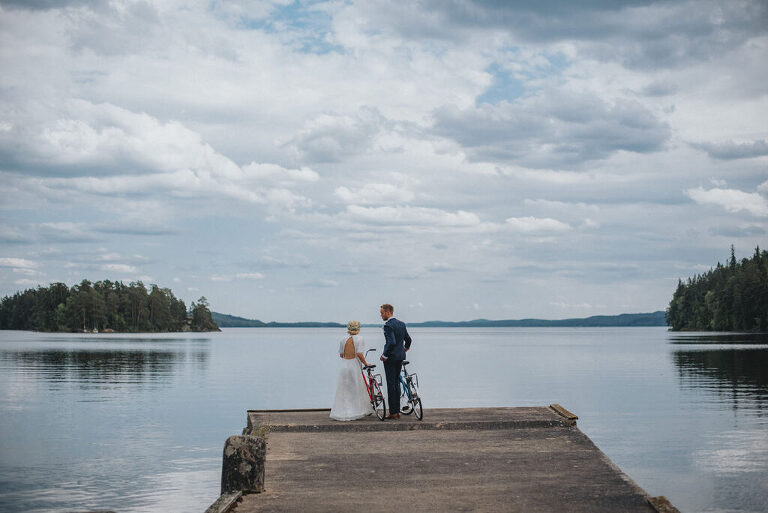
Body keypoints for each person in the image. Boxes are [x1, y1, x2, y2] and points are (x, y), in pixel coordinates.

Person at [330, 320, 372, 421]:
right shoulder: (360, 338)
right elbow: (359, 354)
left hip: (345, 366)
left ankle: (342, 411)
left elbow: (341, 354)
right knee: (356, 388)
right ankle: (356, 411)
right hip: (354, 366)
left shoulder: (343, 339)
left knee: (344, 389)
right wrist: (366, 363)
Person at [379, 303, 412, 419]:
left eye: (382, 313)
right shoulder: (401, 324)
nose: (381, 315)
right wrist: (406, 348)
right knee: (397, 383)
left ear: (388, 312)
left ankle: (393, 412)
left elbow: (391, 342)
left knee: (391, 384)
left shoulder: (388, 325)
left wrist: (384, 355)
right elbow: (408, 339)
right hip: (400, 356)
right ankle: (396, 411)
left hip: (391, 358)